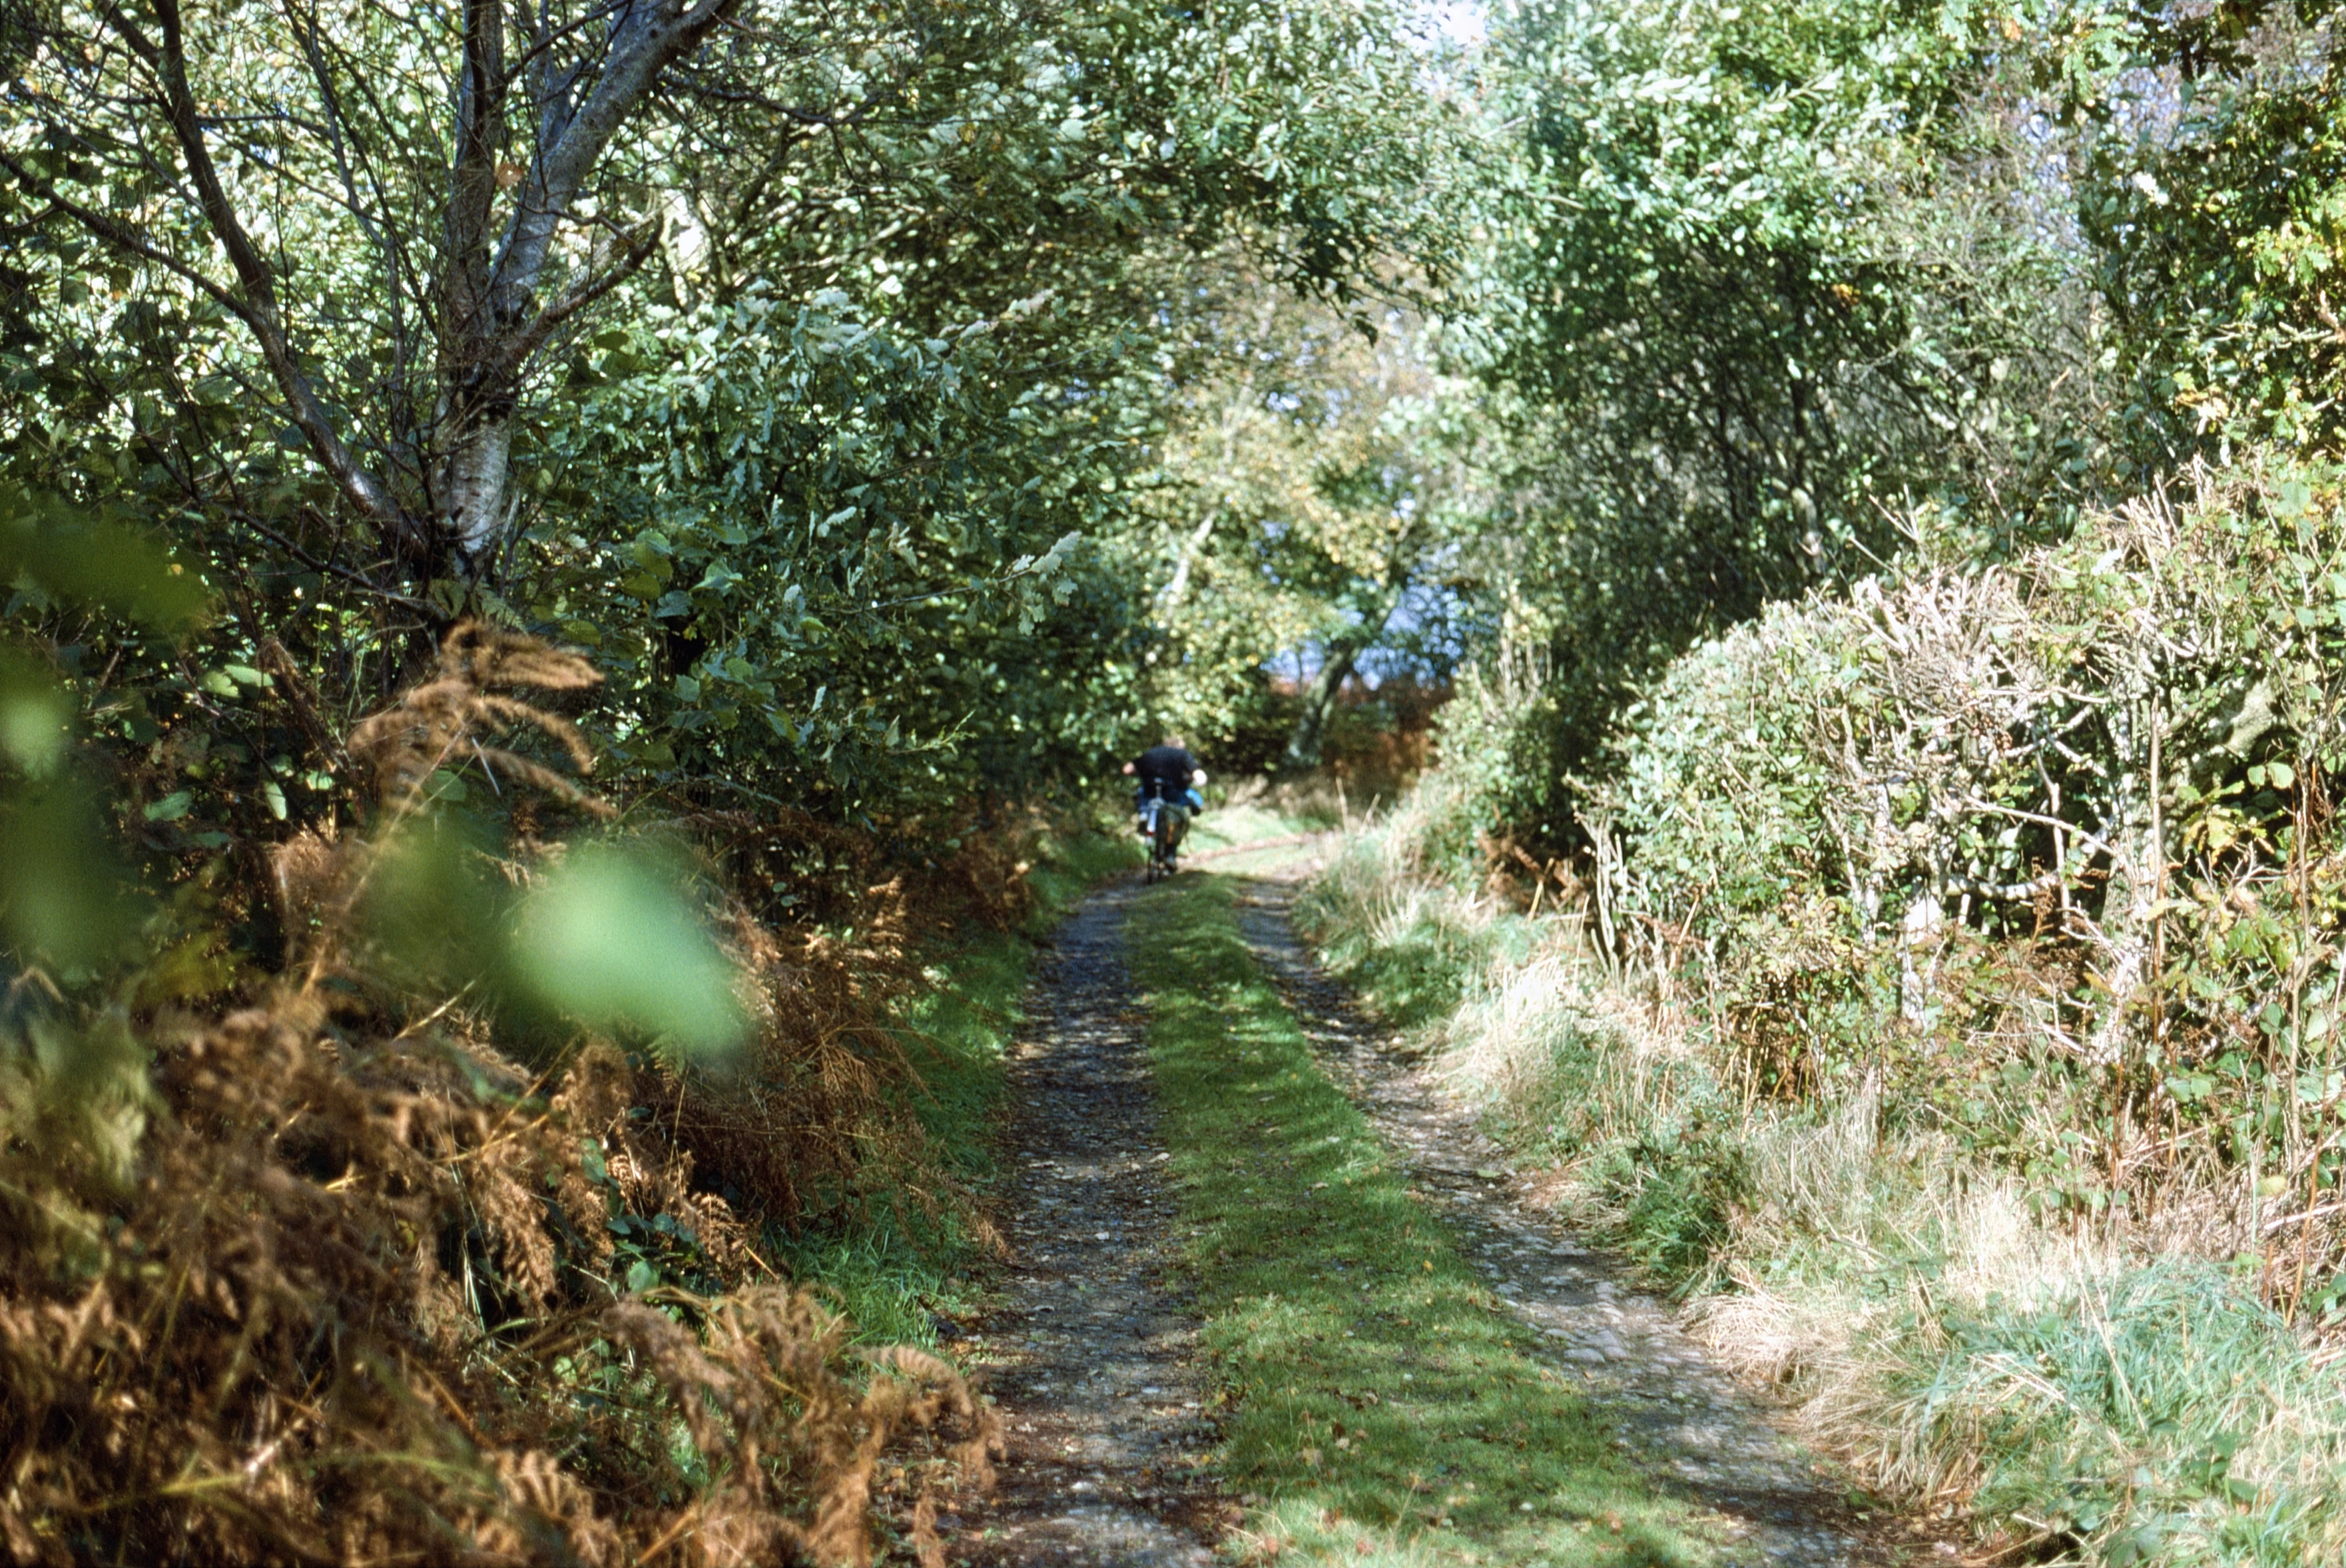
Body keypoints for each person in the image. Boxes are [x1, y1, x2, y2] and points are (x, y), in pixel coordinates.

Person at [1121, 736, 1207, 851]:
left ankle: (1144, 815)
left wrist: (1141, 773)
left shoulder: (1151, 753)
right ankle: (1171, 854)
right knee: (1180, 809)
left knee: (1141, 793)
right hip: (1172, 794)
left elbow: (1127, 770)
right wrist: (1198, 779)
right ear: (1179, 746)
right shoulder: (1182, 755)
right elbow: (1199, 775)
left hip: (1150, 791)